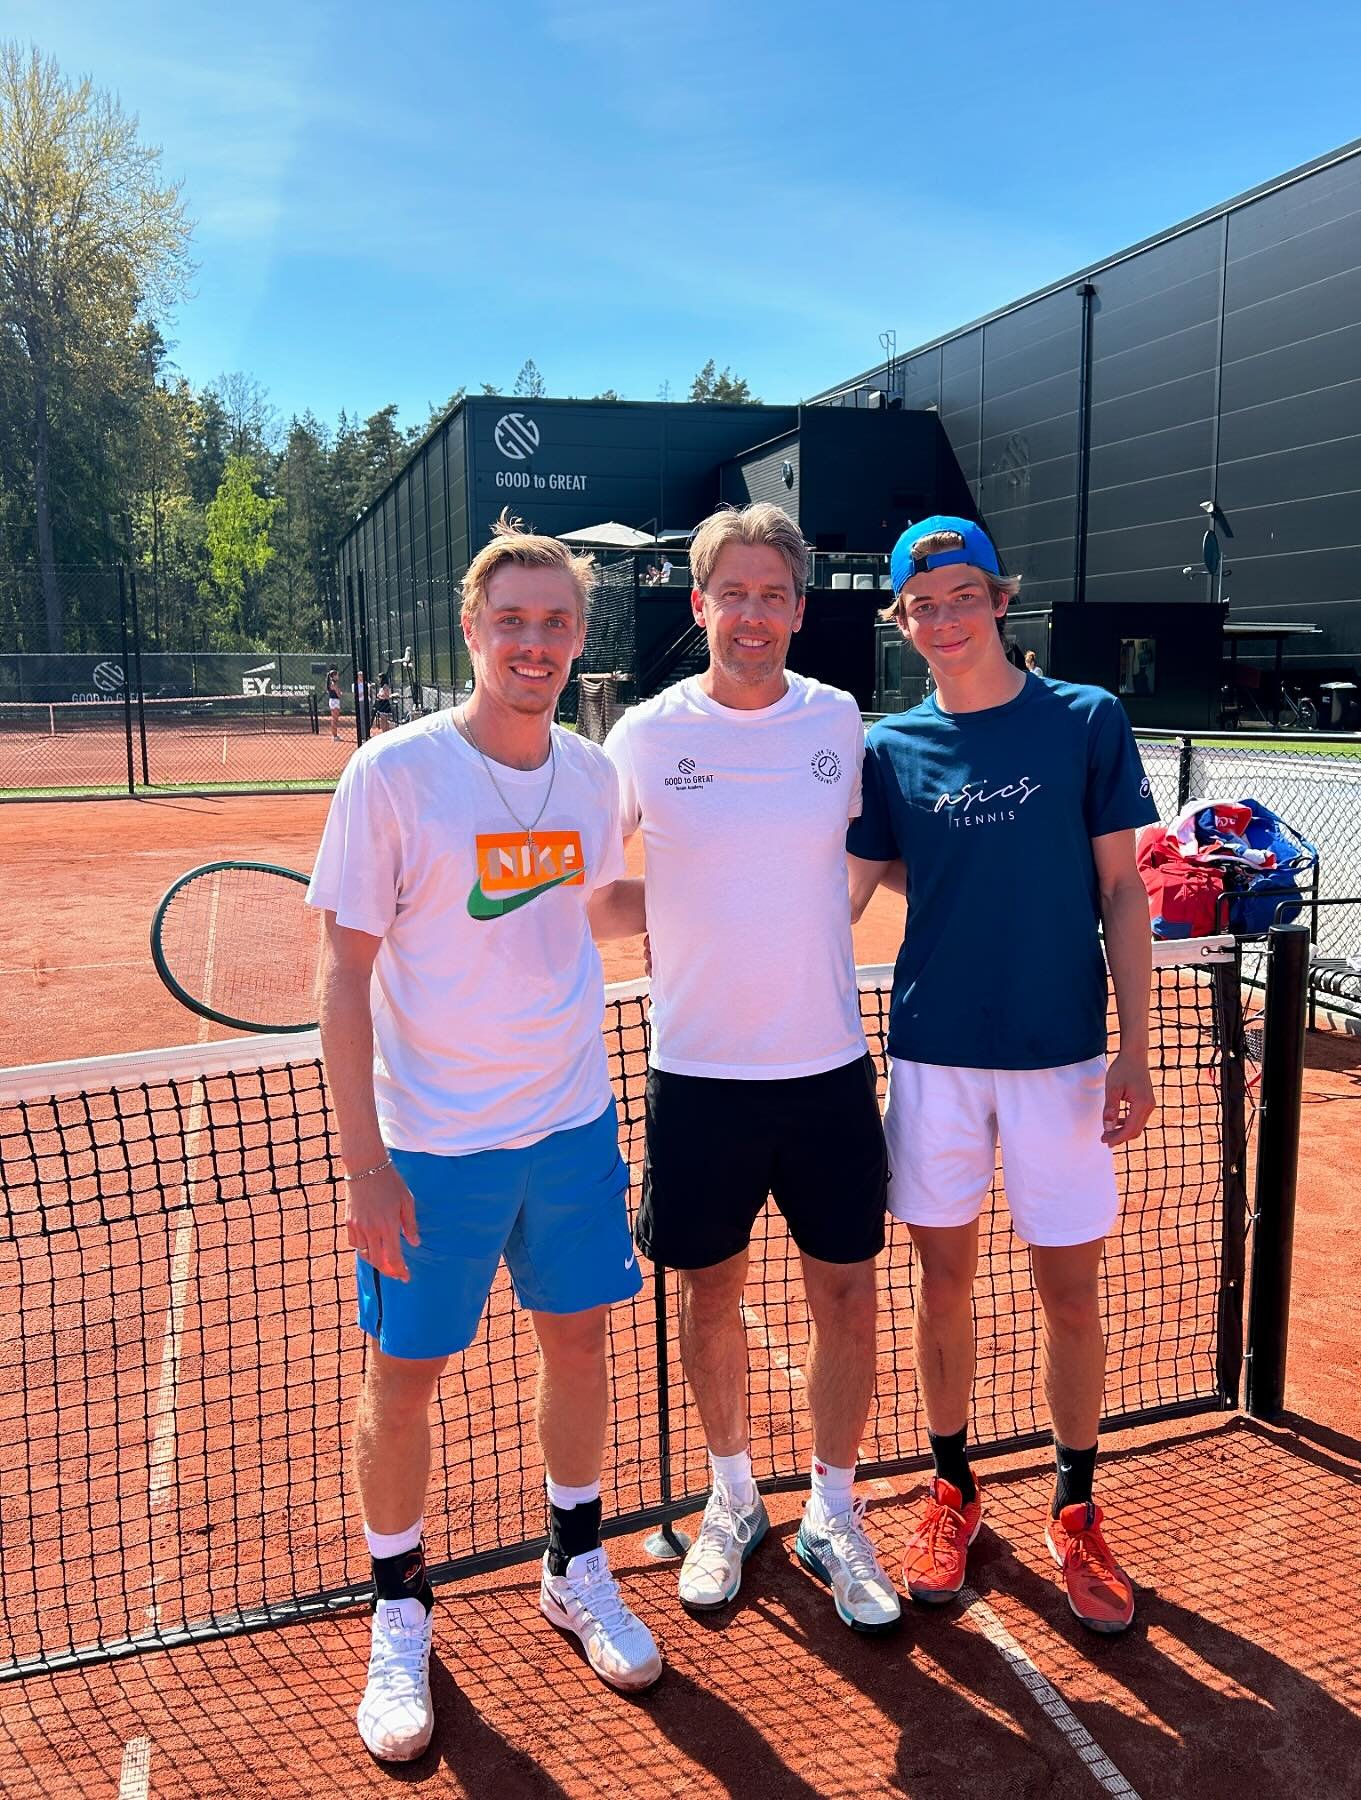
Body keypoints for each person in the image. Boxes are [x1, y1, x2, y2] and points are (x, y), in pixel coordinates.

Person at [308, 511, 661, 1764]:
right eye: (511, 619)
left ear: (581, 637)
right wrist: (364, 1163)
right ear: (471, 629)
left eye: (557, 621)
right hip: (432, 1151)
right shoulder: (392, 775)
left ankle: (575, 1562)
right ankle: (398, 1609)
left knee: (580, 1347)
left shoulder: (592, 771)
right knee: (404, 1382)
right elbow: (343, 975)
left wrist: (721, 891)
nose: (535, 640)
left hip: (570, 1125)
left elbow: (591, 901)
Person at [847, 516, 1158, 1635]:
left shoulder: (1085, 720)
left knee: (1069, 1294)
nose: (944, 617)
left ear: (999, 599)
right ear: (902, 621)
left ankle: (1075, 1509)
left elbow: (1125, 893)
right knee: (943, 1286)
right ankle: (953, 1490)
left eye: (963, 594)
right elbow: (835, 894)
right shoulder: (891, 750)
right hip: (932, 1060)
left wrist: (1136, 1043)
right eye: (922, 604)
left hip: (1063, 1060)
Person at [604, 502, 899, 1634]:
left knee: (847, 1300)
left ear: (799, 608)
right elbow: (589, 888)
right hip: (698, 1076)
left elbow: (876, 858)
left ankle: (832, 1508)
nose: (755, 613)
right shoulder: (645, 736)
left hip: (828, 1070)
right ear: (700, 604)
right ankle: (735, 1501)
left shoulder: (840, 721)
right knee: (709, 1298)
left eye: (775, 592)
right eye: (734, 592)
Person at [326, 667, 342, 740]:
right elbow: (339, 694)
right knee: (334, 719)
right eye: (337, 675)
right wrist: (339, 692)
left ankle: (335, 735)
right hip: (334, 701)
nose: (338, 677)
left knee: (335, 719)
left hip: (334, 701)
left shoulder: (334, 684)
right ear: (334, 676)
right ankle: (334, 736)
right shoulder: (333, 684)